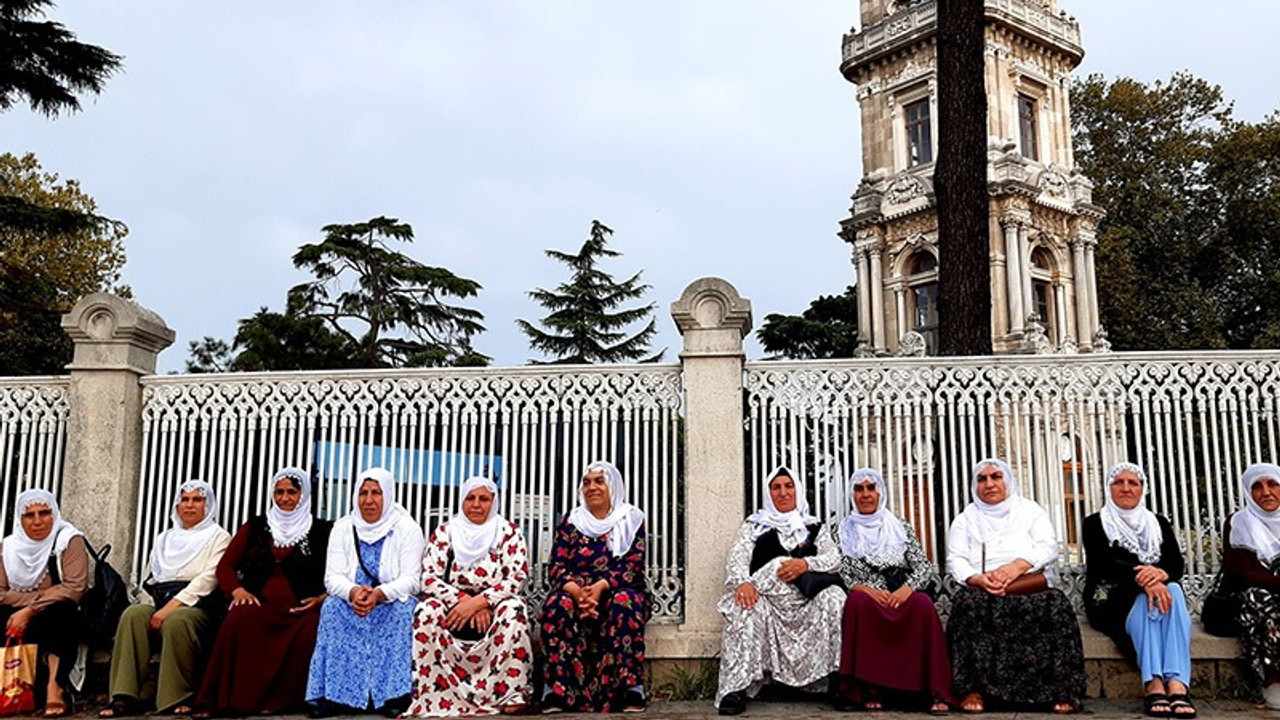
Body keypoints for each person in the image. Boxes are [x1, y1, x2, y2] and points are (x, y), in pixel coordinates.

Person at [944, 458, 1085, 714]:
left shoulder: (1030, 511)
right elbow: (956, 558)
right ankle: (972, 690)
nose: (989, 483)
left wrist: (1018, 566)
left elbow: (1047, 546)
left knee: (1055, 604)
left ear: (1007, 481)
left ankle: (1061, 690)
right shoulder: (966, 519)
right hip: (984, 587)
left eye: (996, 477)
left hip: (1026, 583)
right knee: (966, 603)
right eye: (982, 479)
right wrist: (977, 579)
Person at [194, 467, 332, 717]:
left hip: (301, 608)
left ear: (305, 494)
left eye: (292, 491)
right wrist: (236, 591)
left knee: (311, 631)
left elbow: (338, 572)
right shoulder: (256, 526)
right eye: (279, 492)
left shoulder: (323, 531)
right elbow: (225, 565)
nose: (285, 498)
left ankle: (289, 702)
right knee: (237, 619)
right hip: (260, 604)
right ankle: (229, 702)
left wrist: (322, 598)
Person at [714, 466, 844, 716]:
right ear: (768, 493)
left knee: (835, 597)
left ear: (797, 490)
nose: (783, 493)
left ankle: (836, 681)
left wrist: (805, 563)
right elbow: (737, 559)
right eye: (776, 487)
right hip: (767, 599)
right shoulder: (755, 526)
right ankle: (736, 688)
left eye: (789, 486)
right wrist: (743, 582)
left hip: (807, 601)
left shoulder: (814, 526)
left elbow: (833, 558)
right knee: (746, 601)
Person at [100, 480, 232, 717]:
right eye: (184, 499)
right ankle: (123, 696)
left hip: (199, 607)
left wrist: (171, 606)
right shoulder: (164, 539)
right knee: (134, 615)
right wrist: (150, 607)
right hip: (161, 602)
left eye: (197, 500)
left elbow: (209, 579)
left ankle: (177, 696)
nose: (189, 505)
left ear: (208, 505)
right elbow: (150, 579)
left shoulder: (218, 537)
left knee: (177, 620)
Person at [407, 476, 533, 717]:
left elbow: (517, 577)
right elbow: (429, 578)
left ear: (493, 502)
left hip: (493, 605)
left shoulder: (508, 532)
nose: (476, 504)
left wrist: (480, 603)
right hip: (453, 605)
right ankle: (435, 695)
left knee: (514, 609)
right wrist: (462, 601)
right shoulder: (446, 532)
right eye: (470, 498)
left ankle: (509, 693)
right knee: (426, 611)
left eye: (483, 499)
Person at [831, 468, 951, 714]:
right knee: (857, 603)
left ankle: (930, 689)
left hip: (899, 595)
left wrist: (906, 590)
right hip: (867, 596)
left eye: (871, 488)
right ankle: (871, 687)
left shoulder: (900, 528)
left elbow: (924, 567)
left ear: (881, 493)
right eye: (859, 489)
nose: (865, 495)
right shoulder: (841, 532)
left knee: (922, 604)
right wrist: (866, 590)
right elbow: (839, 571)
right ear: (852, 494)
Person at [307, 467, 424, 717]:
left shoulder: (407, 528)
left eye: (376, 493)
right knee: (331, 607)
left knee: (405, 610)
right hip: (354, 601)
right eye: (363, 493)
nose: (368, 500)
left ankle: (395, 696)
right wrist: (352, 593)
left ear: (389, 495)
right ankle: (337, 697)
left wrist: (379, 594)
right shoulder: (343, 527)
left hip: (390, 600)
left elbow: (413, 581)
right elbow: (332, 577)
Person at [1083, 462, 1195, 718]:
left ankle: (1176, 684)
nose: (1125, 488)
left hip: (1158, 595)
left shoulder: (1158, 523)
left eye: (1133, 483)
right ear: (1108, 488)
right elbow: (1104, 564)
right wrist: (1148, 579)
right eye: (1118, 482)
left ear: (1142, 489)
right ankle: (1154, 683)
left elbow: (1175, 563)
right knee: (1149, 596)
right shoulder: (1095, 523)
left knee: (1174, 590)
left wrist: (1161, 574)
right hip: (1110, 598)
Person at [538, 460, 649, 713]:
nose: (592, 488)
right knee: (557, 605)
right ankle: (556, 690)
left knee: (624, 604)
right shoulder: (571, 521)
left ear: (613, 486)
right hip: (577, 592)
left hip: (616, 589)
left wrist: (599, 588)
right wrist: (577, 593)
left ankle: (629, 688)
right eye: (586, 482)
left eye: (600, 481)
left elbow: (633, 566)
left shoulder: (631, 519)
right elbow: (556, 565)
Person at [0, 489, 88, 718]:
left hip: (56, 614)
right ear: (20, 519)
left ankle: (54, 689)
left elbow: (75, 588)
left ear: (54, 514)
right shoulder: (8, 547)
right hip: (17, 615)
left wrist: (29, 609)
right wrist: (44, 594)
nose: (38, 521)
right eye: (29, 515)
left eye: (44, 513)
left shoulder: (68, 540)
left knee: (61, 612)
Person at [1221, 462, 1280, 711]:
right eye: (1257, 486)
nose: (1266, 492)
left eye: (1272, 484)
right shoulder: (1239, 523)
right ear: (1248, 492)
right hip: (1250, 597)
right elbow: (1243, 572)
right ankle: (1274, 683)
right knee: (1260, 599)